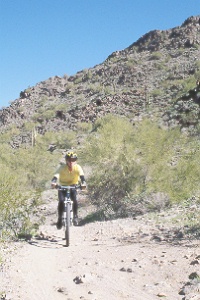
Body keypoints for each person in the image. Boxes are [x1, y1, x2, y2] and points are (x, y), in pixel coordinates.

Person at [51, 151, 86, 228]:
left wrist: (83, 184)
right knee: (61, 201)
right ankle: (60, 219)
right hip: (62, 186)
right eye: (69, 160)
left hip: (73, 186)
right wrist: (53, 182)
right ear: (66, 160)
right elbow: (56, 176)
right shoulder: (62, 167)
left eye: (73, 160)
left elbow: (82, 176)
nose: (71, 162)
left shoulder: (78, 167)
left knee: (75, 200)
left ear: (75, 160)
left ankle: (75, 216)